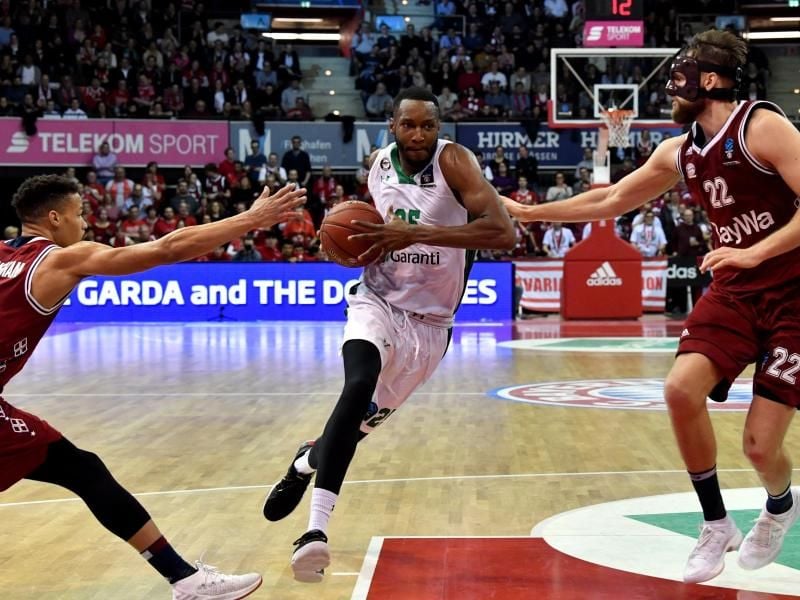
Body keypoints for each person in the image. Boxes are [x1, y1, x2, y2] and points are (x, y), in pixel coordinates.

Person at [502, 30, 800, 584]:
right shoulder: (679, 150)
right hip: (735, 292)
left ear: (709, 79)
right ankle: (715, 523)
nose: (670, 87)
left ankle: (781, 504)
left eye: (681, 74)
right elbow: (611, 198)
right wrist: (528, 213)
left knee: (761, 447)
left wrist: (754, 250)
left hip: (793, 297)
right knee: (678, 389)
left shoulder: (763, 126)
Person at [1, 175, 306, 598]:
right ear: (54, 219)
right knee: (83, 471)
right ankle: (186, 580)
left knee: (82, 469)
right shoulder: (61, 260)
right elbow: (166, 249)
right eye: (80, 214)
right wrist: (249, 219)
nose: (86, 225)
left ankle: (184, 578)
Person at [262, 86, 514, 583]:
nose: (418, 134)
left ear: (438, 129)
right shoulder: (377, 165)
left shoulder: (456, 164)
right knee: (355, 389)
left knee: (354, 431)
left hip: (431, 326)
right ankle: (314, 532)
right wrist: (344, 241)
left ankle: (306, 461)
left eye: (427, 126)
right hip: (376, 301)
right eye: (409, 125)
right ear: (392, 127)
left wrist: (416, 234)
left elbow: (501, 232)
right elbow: (366, 231)